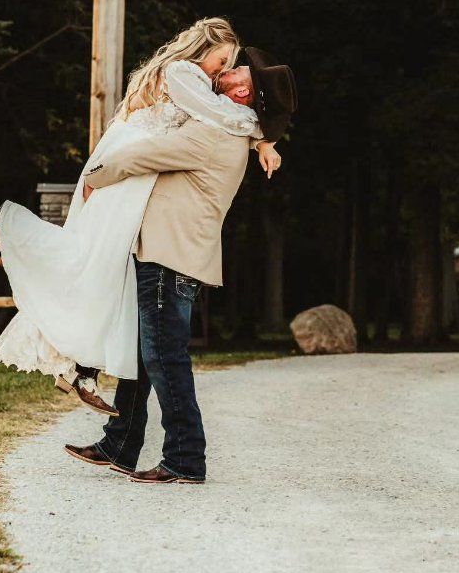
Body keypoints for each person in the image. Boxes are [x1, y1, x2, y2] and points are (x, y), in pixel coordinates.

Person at [0, 18, 281, 416]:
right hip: (127, 166)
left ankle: (81, 368)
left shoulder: (198, 81)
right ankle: (11, 227)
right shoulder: (182, 72)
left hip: (138, 172)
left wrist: (261, 138)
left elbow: (222, 112)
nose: (223, 71)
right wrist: (263, 136)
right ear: (202, 48)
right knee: (93, 255)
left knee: (104, 264)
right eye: (222, 60)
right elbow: (221, 116)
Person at [64, 46, 298, 484]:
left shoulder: (213, 135)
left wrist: (94, 176)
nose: (225, 71)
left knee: (164, 357)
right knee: (143, 353)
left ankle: (185, 457)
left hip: (170, 256)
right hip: (175, 254)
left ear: (243, 90)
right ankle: (121, 441)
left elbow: (144, 154)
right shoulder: (231, 129)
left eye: (235, 70)